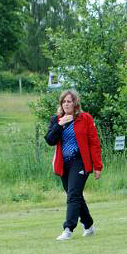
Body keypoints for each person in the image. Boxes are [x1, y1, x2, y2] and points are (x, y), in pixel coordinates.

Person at [45, 89, 103, 240]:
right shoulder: (56, 119)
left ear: (75, 103)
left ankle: (68, 229)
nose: (66, 104)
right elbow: (50, 140)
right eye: (63, 102)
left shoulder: (85, 118)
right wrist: (60, 124)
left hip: (80, 162)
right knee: (75, 196)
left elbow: (94, 143)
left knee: (73, 196)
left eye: (69, 101)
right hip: (64, 164)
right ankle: (89, 225)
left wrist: (98, 166)